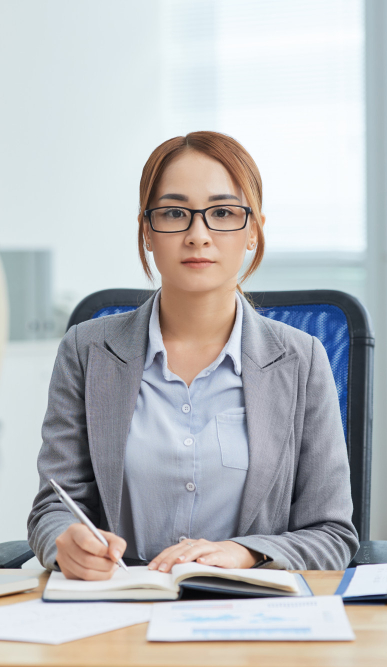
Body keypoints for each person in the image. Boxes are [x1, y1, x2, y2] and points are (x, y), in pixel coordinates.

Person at [28, 131, 358, 580]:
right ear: (146, 230)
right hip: (119, 609)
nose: (197, 235)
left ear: (253, 230)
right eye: (174, 213)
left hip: (249, 613)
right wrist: (64, 541)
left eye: (222, 213)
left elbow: (332, 534)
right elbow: (54, 505)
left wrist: (246, 553)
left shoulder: (303, 360)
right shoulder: (87, 351)